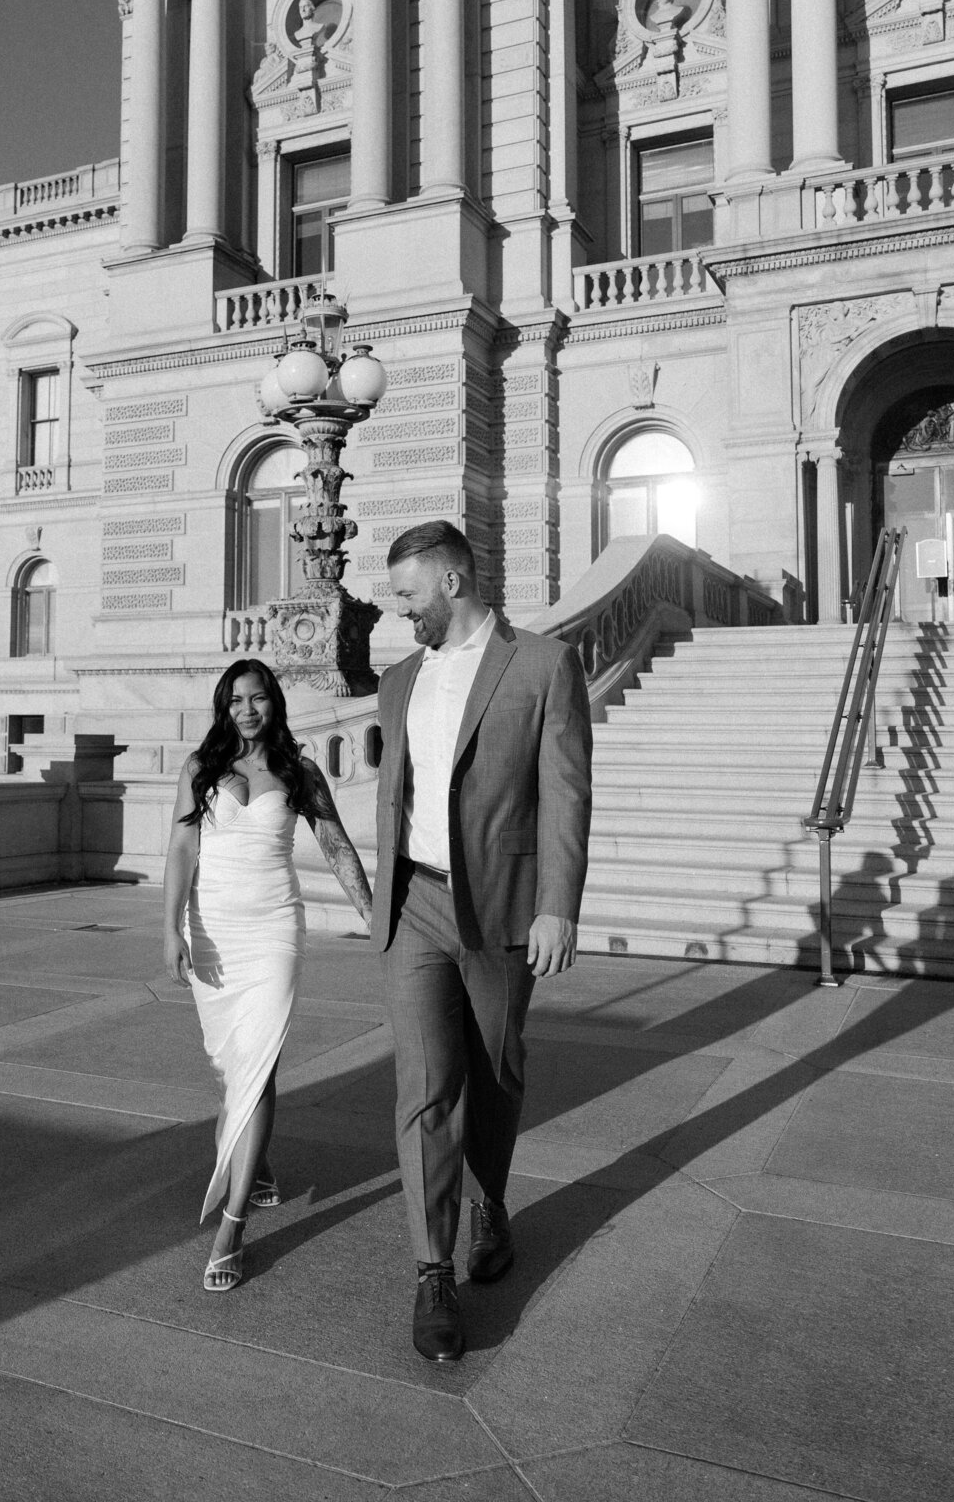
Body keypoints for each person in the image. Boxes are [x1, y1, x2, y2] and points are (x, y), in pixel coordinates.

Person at [373, 521, 592, 1361]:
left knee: (496, 1073)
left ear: (454, 581)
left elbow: (566, 790)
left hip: (502, 908)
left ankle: (489, 1204)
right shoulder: (400, 681)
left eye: (409, 594)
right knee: (426, 1088)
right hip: (417, 908)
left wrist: (557, 905)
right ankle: (433, 1275)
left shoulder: (541, 664)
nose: (402, 612)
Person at [163, 658, 372, 1292]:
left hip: (275, 929)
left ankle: (232, 1226)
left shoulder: (299, 772)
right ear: (223, 709)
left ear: (274, 703)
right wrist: (167, 926)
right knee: (233, 1065)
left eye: (257, 699)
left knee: (260, 1062)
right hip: (213, 928)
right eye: (236, 701)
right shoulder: (201, 770)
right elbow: (179, 848)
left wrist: (372, 912)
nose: (247, 710)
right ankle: (260, 1161)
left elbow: (336, 845)